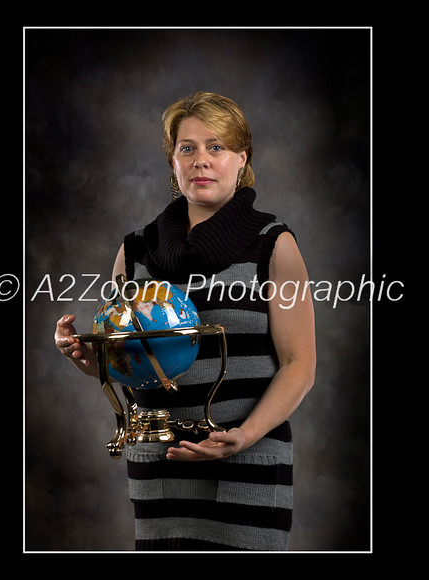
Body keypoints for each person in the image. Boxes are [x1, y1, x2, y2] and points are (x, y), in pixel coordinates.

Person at [54, 92, 316, 551]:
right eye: (187, 148)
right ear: (173, 161)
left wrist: (243, 437)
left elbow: (300, 364)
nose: (201, 160)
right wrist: (86, 354)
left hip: (248, 467)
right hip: (160, 466)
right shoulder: (135, 250)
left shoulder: (274, 245)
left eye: (216, 147)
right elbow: (125, 362)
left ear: (241, 159)